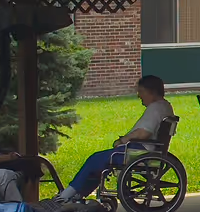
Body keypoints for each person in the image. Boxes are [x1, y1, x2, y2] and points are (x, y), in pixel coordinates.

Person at [51, 75, 174, 204]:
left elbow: (144, 133)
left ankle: (66, 195)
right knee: (99, 162)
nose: (139, 95)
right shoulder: (165, 106)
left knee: (95, 160)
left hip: (140, 151)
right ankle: (77, 194)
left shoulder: (155, 108)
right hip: (150, 151)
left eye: (141, 91)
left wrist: (123, 140)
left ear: (152, 92)